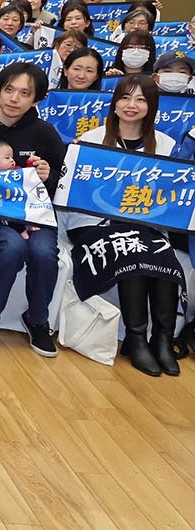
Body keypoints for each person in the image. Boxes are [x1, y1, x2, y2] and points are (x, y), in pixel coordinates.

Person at [64, 75, 182, 376]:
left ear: (151, 106)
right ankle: (136, 337)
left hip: (145, 224)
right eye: (125, 97)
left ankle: (163, 339)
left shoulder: (166, 145)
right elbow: (74, 193)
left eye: (141, 99)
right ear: (114, 102)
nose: (132, 105)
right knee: (133, 251)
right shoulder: (91, 139)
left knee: (163, 254)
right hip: (94, 223)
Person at [0, 62, 65, 356]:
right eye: (9, 90)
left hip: (35, 214)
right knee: (11, 248)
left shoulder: (44, 133)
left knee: (43, 253)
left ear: (37, 99)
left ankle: (38, 320)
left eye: (25, 93)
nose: (14, 98)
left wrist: (49, 175)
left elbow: (63, 180)